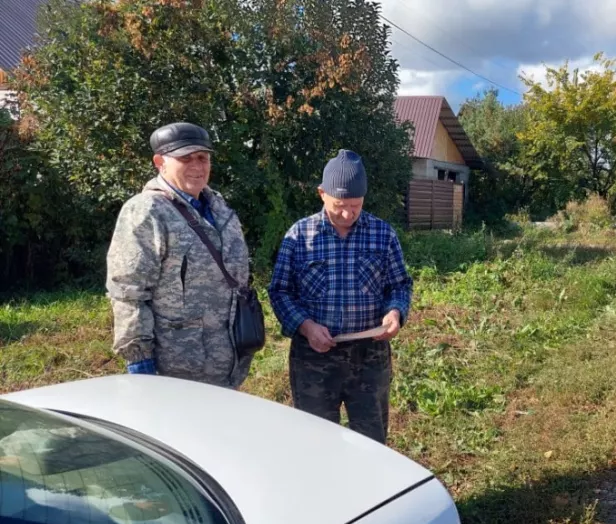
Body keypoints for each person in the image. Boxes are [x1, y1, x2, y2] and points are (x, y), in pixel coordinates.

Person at [267, 149, 413, 444]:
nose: (348, 214)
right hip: (314, 358)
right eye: (340, 205)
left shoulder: (383, 235)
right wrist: (306, 327)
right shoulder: (299, 236)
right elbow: (280, 291)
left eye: (355, 206)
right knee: (316, 441)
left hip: (369, 358)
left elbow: (399, 285)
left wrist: (395, 312)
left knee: (371, 441)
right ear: (322, 194)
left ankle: (371, 490)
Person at [106, 122, 254, 389]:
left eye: (202, 157)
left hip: (227, 364)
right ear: (159, 162)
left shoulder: (219, 208)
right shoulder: (147, 211)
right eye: (185, 158)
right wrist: (140, 363)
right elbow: (129, 293)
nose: (197, 166)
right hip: (177, 372)